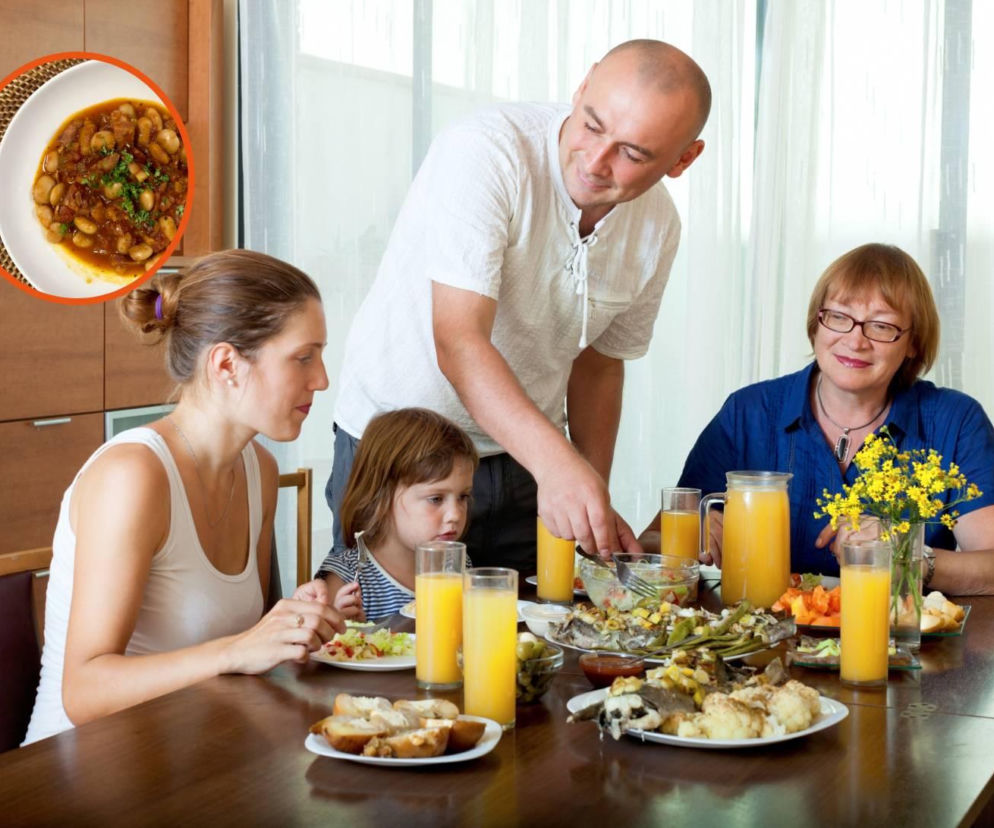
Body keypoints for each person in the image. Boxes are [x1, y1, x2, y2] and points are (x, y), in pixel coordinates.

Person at [327, 38, 711, 572]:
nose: (596, 162)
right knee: (391, 642)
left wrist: (587, 490)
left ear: (684, 159)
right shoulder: (486, 152)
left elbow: (598, 363)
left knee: (530, 642)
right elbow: (459, 341)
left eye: (632, 153)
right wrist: (559, 466)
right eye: (592, 125)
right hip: (403, 453)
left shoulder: (658, 226)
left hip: (525, 460)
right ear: (583, 84)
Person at [23, 250, 353, 745]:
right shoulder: (133, 477)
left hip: (193, 755)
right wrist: (237, 649)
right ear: (226, 364)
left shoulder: (259, 471)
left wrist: (292, 622)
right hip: (77, 772)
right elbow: (83, 691)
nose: (322, 379)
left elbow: (242, 643)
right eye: (304, 357)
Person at [640, 243, 994, 594]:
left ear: (913, 342)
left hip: (897, 644)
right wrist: (692, 538)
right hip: (759, 637)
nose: (855, 341)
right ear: (817, 324)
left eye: (882, 326)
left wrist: (910, 556)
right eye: (839, 317)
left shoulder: (955, 422)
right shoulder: (748, 412)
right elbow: (652, 540)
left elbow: (990, 566)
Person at [298, 408, 478, 618]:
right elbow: (322, 645)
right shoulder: (346, 578)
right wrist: (341, 624)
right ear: (381, 497)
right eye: (436, 499)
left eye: (463, 497)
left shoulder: (455, 565)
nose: (455, 514)